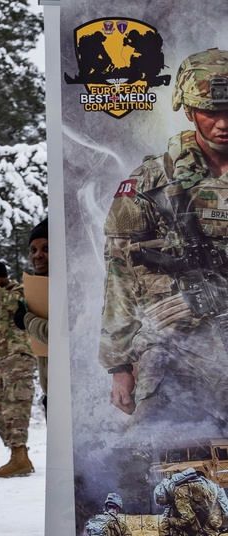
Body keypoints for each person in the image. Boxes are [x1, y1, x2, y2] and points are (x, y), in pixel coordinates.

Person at [98, 49, 228, 438]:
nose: (223, 123)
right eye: (210, 111)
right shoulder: (150, 182)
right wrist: (120, 367)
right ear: (189, 110)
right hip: (176, 356)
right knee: (166, 470)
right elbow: (119, 276)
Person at [0, 260, 36, 477]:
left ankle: (19, 456)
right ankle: (18, 455)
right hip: (1, 359)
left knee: (16, 406)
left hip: (19, 355)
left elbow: (18, 304)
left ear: (1, 277)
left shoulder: (19, 292)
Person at [12, 220, 48, 409]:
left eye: (46, 248)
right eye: (33, 250)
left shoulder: (71, 286)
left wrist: (26, 319)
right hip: (52, 392)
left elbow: (56, 337)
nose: (38, 256)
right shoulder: (40, 288)